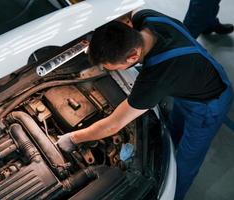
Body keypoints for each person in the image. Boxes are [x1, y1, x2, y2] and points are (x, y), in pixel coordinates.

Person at [57, 9, 233, 200]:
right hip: (191, 79)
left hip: (209, 102)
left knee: (186, 161)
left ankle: (176, 194)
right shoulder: (147, 17)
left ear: (133, 57)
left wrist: (72, 138)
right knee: (174, 127)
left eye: (112, 67)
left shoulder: (156, 78)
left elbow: (113, 125)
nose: (106, 71)